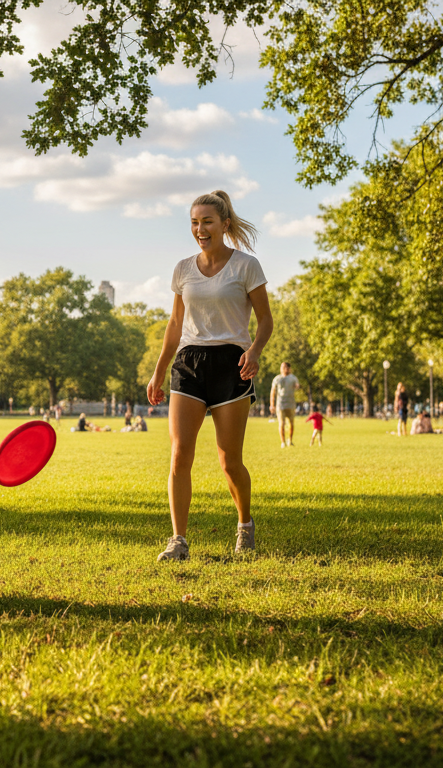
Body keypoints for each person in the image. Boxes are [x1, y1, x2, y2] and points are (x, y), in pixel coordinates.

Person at [147, 190, 272, 562]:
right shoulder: (183, 269)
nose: (200, 229)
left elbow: (265, 319)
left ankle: (244, 525)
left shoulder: (246, 266)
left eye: (207, 222)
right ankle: (178, 540)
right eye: (194, 222)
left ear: (225, 224)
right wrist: (158, 370)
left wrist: (254, 351)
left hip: (233, 363)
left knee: (228, 459)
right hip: (189, 363)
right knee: (179, 454)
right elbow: (175, 323)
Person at [269, 362, 298, 447]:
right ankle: (283, 442)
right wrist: (272, 404)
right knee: (281, 423)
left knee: (291, 423)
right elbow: (272, 392)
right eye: (282, 367)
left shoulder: (293, 378)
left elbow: (297, 385)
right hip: (280, 404)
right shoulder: (277, 379)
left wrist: (297, 386)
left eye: (286, 367)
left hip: (291, 404)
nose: (284, 369)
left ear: (289, 368)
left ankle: (290, 440)